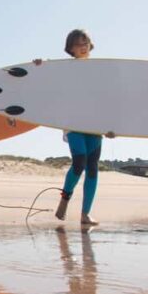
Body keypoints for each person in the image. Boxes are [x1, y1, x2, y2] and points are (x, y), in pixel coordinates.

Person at [36, 29, 114, 226]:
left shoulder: (99, 70)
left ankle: (85, 214)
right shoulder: (66, 68)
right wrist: (39, 67)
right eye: (79, 43)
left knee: (93, 168)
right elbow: (47, 79)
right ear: (70, 48)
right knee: (79, 162)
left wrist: (112, 125)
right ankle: (65, 198)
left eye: (86, 41)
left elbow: (108, 97)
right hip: (73, 122)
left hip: (95, 123)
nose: (83, 45)